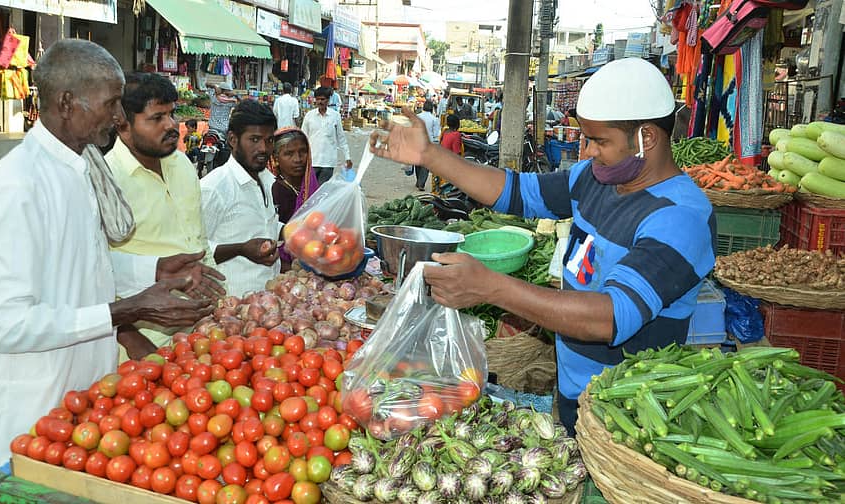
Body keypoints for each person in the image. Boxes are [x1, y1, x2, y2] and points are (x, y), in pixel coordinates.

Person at [370, 57, 715, 436]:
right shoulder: (595, 179)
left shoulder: (680, 218)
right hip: (574, 395)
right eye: (586, 138)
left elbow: (609, 317)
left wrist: (492, 288)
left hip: (629, 416)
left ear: (645, 139)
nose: (586, 152)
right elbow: (516, 192)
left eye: (600, 141)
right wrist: (430, 156)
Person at [0, 39, 217, 472]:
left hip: (87, 393)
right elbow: (10, 326)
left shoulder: (82, 165)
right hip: (34, 401)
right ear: (68, 103)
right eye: (111, 103)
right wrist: (127, 310)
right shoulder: (16, 184)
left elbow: (83, 265)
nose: (118, 116)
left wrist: (154, 269)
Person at [106, 72, 226, 355]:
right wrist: (134, 342)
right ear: (122, 125)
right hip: (145, 347)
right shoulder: (107, 182)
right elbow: (95, 275)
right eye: (156, 118)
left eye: (172, 114)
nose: (172, 125)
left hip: (204, 334)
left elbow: (198, 240)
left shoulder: (181, 164)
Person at [201, 100, 282, 297]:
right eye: (254, 139)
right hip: (232, 307)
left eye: (269, 140)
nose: (263, 148)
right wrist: (240, 249)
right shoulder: (214, 188)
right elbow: (195, 250)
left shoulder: (267, 179)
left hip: (268, 301)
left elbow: (261, 224)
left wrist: (290, 231)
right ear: (232, 139)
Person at [269, 127, 320, 268]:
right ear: (276, 158)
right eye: (289, 154)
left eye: (302, 152)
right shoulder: (273, 191)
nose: (298, 159)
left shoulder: (312, 187)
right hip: (279, 265)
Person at [301, 86, 352, 185]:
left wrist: (347, 157)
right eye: (318, 99)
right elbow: (303, 138)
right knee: (310, 190)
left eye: (323, 99)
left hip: (328, 162)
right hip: (312, 161)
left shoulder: (335, 116)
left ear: (328, 100)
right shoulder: (309, 116)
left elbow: (341, 138)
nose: (320, 102)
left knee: (322, 192)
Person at [414, 101, 440, 191]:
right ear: (432, 108)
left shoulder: (417, 116)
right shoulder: (434, 119)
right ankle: (421, 183)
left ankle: (418, 180)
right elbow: (436, 133)